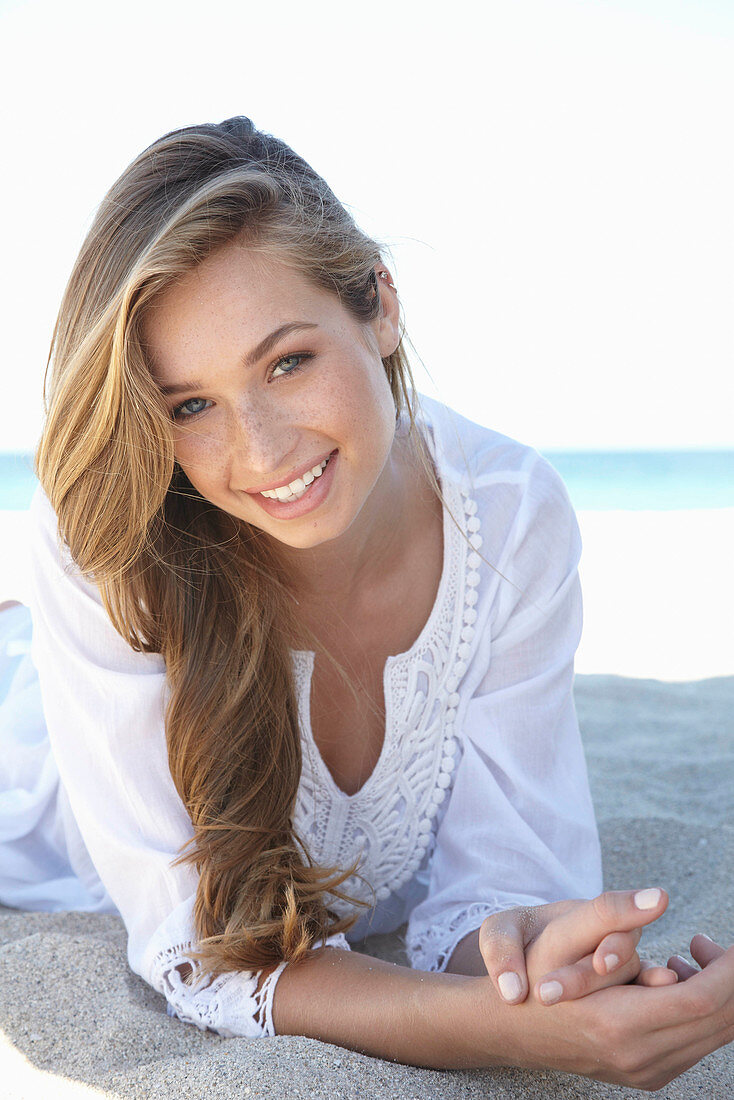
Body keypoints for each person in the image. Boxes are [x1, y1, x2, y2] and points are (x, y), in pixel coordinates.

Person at [0, 117, 731, 1089]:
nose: (258, 448)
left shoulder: (509, 522)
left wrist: (553, 974)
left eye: (286, 361)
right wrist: (497, 1030)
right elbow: (205, 955)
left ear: (379, 307)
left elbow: (499, 898)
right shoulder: (112, 546)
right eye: (190, 404)